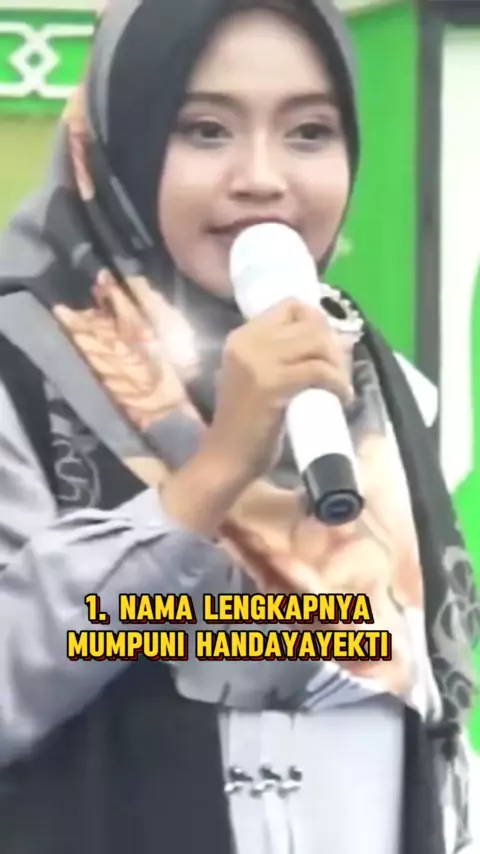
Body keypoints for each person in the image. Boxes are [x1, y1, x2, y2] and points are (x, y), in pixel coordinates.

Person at [0, 0, 478, 852]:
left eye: (309, 133)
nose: (262, 178)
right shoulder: (23, 368)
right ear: (124, 143)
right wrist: (213, 474)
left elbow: (427, 711)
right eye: (207, 130)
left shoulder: (379, 391)